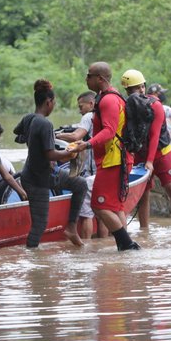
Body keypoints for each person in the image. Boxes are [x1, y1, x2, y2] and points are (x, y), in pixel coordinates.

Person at [69, 61, 141, 251]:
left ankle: (126, 244)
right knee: (115, 207)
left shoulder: (108, 100)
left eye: (89, 75)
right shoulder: (110, 96)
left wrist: (86, 144)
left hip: (114, 159)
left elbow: (109, 131)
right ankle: (124, 246)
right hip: (118, 158)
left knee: (99, 205)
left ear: (100, 79)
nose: (86, 78)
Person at [13, 79, 88, 248]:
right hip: (37, 180)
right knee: (39, 225)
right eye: (53, 103)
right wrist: (71, 152)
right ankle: (32, 260)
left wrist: (30, 137)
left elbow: (17, 133)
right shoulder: (45, 123)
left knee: (80, 184)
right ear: (48, 102)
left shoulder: (29, 118)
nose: (53, 105)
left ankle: (71, 228)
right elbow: (51, 154)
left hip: (43, 174)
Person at [121, 69, 171, 229]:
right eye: (132, 90)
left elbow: (155, 134)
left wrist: (150, 162)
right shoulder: (126, 107)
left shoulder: (156, 106)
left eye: (139, 88)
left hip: (161, 153)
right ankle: (145, 231)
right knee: (142, 193)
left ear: (144, 87)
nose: (137, 92)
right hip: (140, 154)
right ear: (127, 91)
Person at [55, 90, 101, 239]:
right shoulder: (103, 115)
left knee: (86, 214)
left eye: (81, 106)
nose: (79, 110)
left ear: (91, 104)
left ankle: (85, 250)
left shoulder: (88, 116)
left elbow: (76, 136)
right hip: (105, 168)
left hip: (93, 172)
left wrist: (56, 135)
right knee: (102, 212)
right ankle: (102, 244)